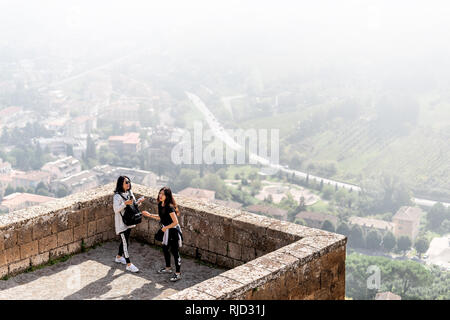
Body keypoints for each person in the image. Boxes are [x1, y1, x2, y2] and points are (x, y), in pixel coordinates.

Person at [142, 187, 183, 282]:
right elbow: (161, 217)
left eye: (163, 194)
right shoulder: (161, 204)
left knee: (175, 252)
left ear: (167, 196)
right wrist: (150, 215)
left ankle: (178, 273)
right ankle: (168, 268)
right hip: (166, 230)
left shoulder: (169, 207)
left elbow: (175, 222)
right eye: (160, 193)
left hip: (173, 232)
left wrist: (165, 228)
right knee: (165, 249)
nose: (160, 196)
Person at [113, 175, 145, 273]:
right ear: (121, 184)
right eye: (126, 182)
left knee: (125, 241)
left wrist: (138, 202)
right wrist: (124, 203)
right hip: (121, 222)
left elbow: (133, 205)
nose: (128, 184)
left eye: (129, 182)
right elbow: (116, 209)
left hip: (129, 221)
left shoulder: (129, 193)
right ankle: (129, 264)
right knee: (125, 242)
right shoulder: (117, 196)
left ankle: (118, 257)